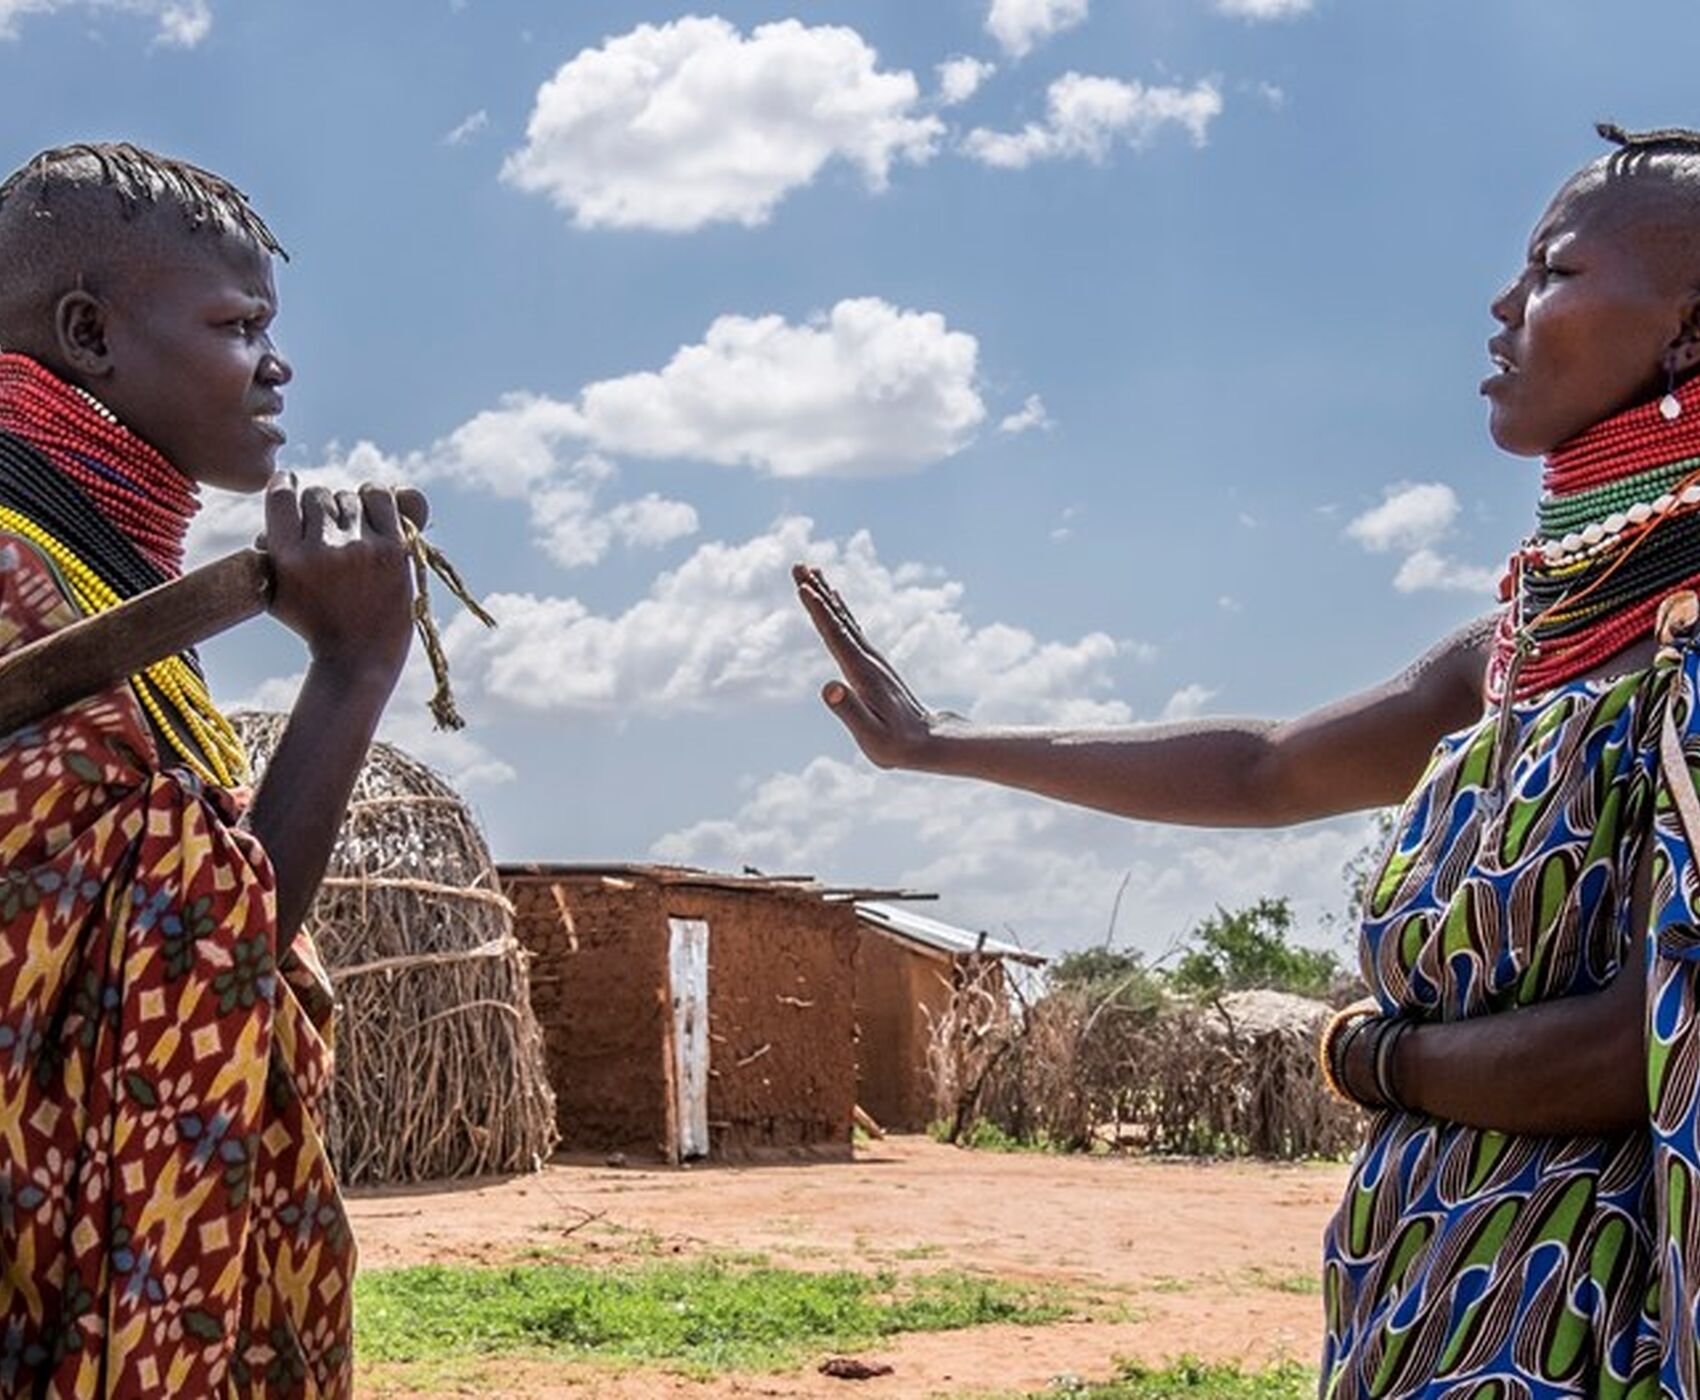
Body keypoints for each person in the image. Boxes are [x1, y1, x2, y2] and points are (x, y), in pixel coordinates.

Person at [797, 123, 1700, 1396]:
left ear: (1686, 337)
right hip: (1426, 1290)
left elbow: (1639, 1041)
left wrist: (1372, 1058)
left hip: (1596, 1322)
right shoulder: (1519, 645)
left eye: (1552, 271)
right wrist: (935, 742)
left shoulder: (1683, 648)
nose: (1502, 303)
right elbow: (1262, 768)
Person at [0, 144, 423, 1396]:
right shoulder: (15, 584)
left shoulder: (87, 579)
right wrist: (352, 669)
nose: (277, 365)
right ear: (90, 334)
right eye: (241, 327)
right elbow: (189, 966)